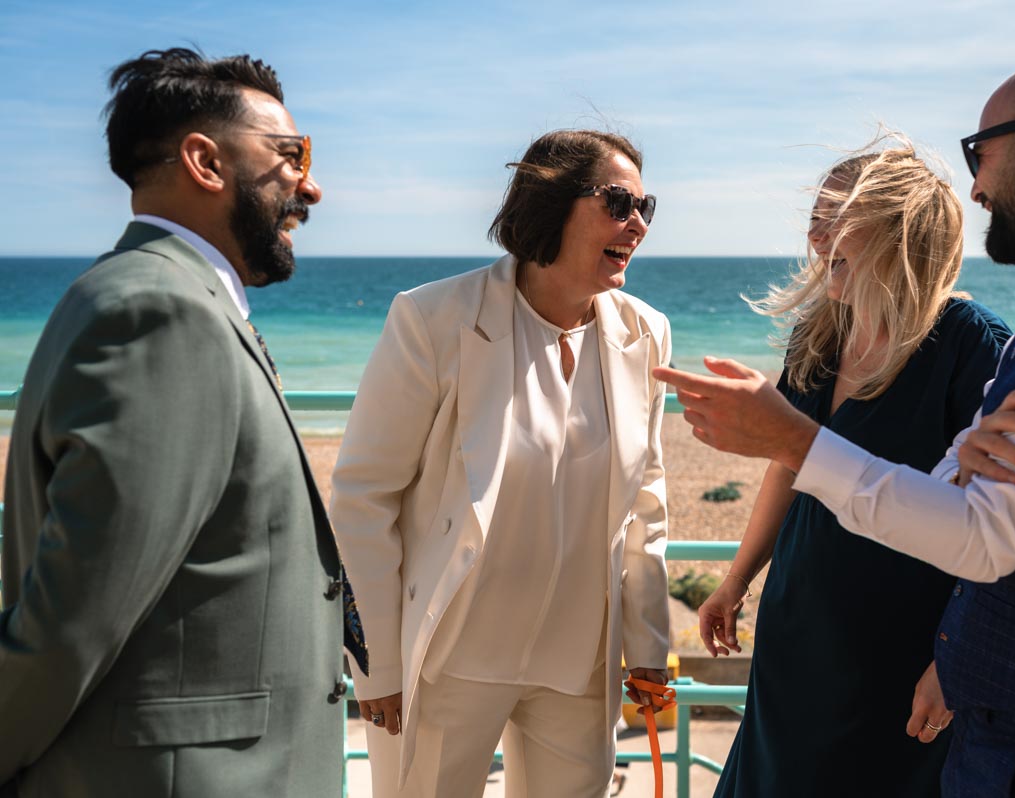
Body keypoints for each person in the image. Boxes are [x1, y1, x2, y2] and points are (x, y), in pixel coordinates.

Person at [655, 47, 1015, 797]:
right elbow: (967, 494)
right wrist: (746, 568)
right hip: (985, 725)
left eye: (982, 152)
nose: (972, 186)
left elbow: (985, 536)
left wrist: (792, 438)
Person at [0, 48, 351, 797]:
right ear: (205, 161)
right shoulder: (162, 312)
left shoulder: (142, 294)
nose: (310, 185)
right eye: (291, 155)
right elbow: (74, 618)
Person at [329, 129, 671, 798]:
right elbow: (362, 498)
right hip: (449, 662)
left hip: (580, 668)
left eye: (646, 206)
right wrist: (375, 667)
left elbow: (645, 503)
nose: (637, 224)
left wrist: (649, 650)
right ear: (550, 203)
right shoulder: (431, 319)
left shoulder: (645, 332)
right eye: (618, 201)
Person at [699, 143, 1009, 797]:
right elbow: (791, 462)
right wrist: (737, 579)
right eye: (814, 218)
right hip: (796, 631)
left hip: (901, 650)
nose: (815, 236)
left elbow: (1002, 523)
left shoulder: (972, 344)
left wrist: (957, 660)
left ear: (904, 226)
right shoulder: (819, 333)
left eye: (836, 216)